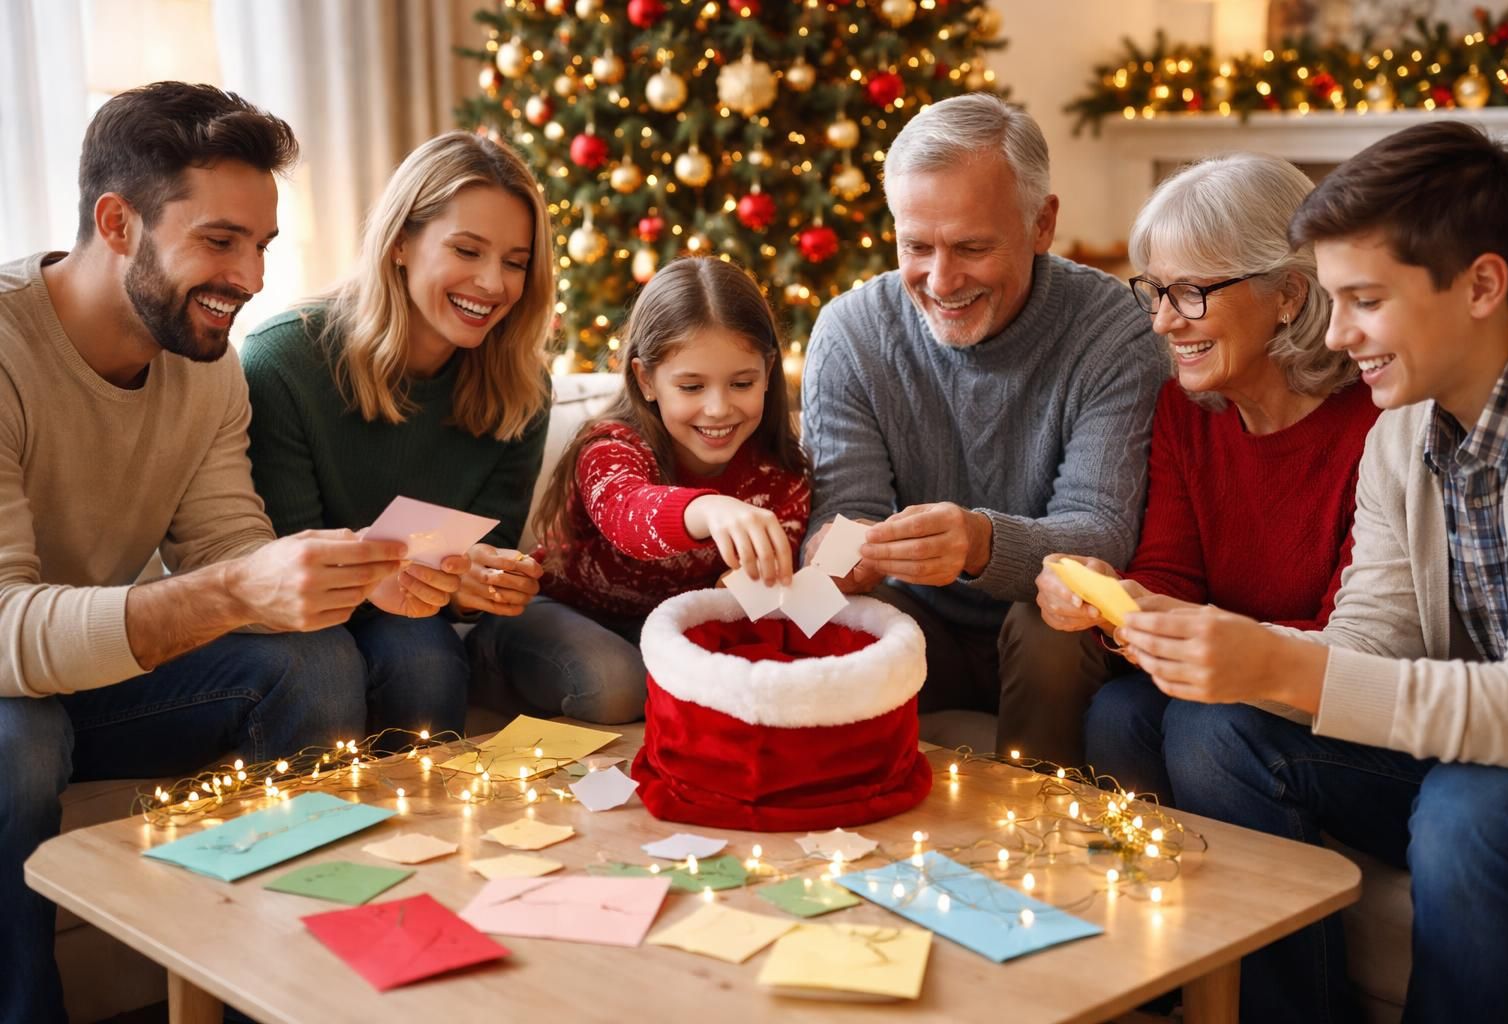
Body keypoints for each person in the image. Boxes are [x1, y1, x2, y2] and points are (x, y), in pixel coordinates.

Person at [0, 83, 406, 1024]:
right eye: (221, 240)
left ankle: (302, 985)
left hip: (92, 675)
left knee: (309, 660)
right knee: (17, 741)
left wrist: (367, 577)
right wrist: (234, 589)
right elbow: (8, 633)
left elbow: (232, 548)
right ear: (118, 221)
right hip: (12, 681)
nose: (252, 277)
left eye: (261, 245)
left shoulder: (207, 364)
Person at [1115, 122, 1508, 1023]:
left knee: (1471, 809)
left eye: (1365, 301)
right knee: (1216, 729)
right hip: (1456, 747)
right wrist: (1234, 658)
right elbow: (1364, 642)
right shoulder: (1402, 435)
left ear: (1483, 286)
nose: (1338, 335)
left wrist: (1271, 661)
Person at [800, 92, 1166, 763]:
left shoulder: (1114, 331)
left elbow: (1102, 530)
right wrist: (835, 562)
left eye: (971, 247)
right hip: (914, 625)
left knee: (1053, 617)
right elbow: (841, 515)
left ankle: (1036, 842)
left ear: (1042, 223)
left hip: (1054, 637)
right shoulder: (851, 332)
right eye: (916, 246)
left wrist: (979, 542)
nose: (941, 280)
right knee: (827, 611)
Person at [1034, 153, 1379, 793]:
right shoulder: (1185, 410)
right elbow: (1173, 574)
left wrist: (1198, 633)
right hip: (1227, 683)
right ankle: (1151, 890)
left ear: (1289, 295)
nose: (1163, 321)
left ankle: (1274, 897)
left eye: (1192, 292)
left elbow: (1354, 639)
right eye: (1156, 291)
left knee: (1203, 722)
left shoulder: (1373, 422)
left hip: (1333, 696)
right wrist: (1118, 598)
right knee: (1118, 712)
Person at [242, 131, 555, 744]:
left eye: (515, 262)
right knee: (360, 662)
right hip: (302, 615)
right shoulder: (284, 361)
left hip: (415, 612)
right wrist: (431, 572)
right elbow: (283, 557)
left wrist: (479, 586)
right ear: (401, 243)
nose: (493, 284)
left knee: (425, 660)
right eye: (468, 250)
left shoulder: (522, 386)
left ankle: (432, 839)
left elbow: (491, 545)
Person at [474, 256, 810, 723]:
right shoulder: (612, 447)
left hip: (666, 632)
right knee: (616, 683)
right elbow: (629, 515)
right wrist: (711, 509)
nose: (718, 408)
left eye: (741, 383)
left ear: (768, 372)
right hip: (559, 614)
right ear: (646, 379)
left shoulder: (782, 475)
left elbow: (761, 595)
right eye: (691, 386)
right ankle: (487, 664)